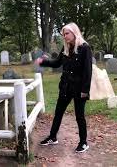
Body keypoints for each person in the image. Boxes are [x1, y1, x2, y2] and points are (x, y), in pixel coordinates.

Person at [34, 22, 92, 153]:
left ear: (74, 32)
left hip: (79, 89)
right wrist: (43, 61)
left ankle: (83, 142)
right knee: (58, 113)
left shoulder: (85, 48)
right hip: (65, 86)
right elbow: (57, 63)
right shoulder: (66, 48)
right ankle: (52, 137)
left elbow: (88, 72)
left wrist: (85, 91)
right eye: (63, 34)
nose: (65, 36)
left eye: (67, 33)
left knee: (79, 116)